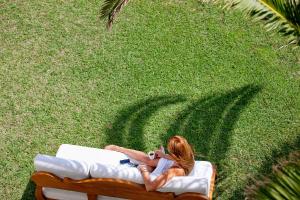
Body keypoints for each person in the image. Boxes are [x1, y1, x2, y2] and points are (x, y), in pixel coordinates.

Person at [104, 135, 195, 191]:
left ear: (176, 155)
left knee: (147, 161)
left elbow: (150, 187)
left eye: (170, 152)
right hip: (174, 163)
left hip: (155, 178)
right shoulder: (187, 154)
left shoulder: (174, 171)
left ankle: (150, 168)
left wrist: (144, 170)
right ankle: (119, 149)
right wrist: (163, 155)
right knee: (148, 159)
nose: (169, 153)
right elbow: (176, 158)